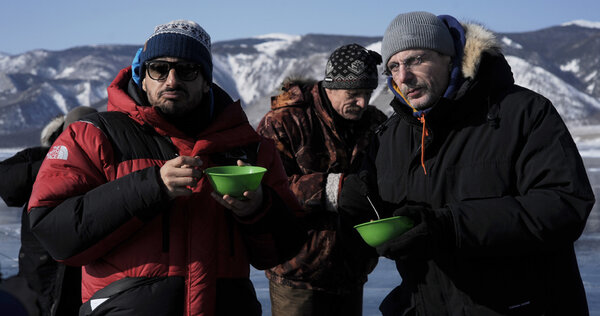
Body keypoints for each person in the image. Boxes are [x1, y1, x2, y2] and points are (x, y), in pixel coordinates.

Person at [27, 20, 305, 316]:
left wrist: (258, 209)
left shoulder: (251, 147)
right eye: (159, 69)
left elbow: (284, 249)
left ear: (206, 80)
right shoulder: (94, 136)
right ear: (143, 77)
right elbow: (54, 233)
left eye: (187, 70)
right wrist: (151, 187)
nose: (172, 80)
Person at [338, 11, 595, 315]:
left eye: (416, 60)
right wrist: (360, 201)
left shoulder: (522, 113)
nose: (403, 76)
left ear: (449, 58)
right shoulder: (390, 136)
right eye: (394, 66)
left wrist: (450, 227)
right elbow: (395, 221)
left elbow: (564, 206)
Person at [257, 43, 388, 315]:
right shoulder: (284, 121)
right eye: (354, 93)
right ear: (330, 87)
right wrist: (335, 189)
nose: (363, 102)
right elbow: (266, 187)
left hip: (352, 270)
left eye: (368, 93)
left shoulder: (375, 123)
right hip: (296, 275)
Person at [0, 106, 97, 316]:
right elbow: (7, 182)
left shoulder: (105, 164)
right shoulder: (41, 156)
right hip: (38, 270)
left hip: (84, 275)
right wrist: (56, 165)